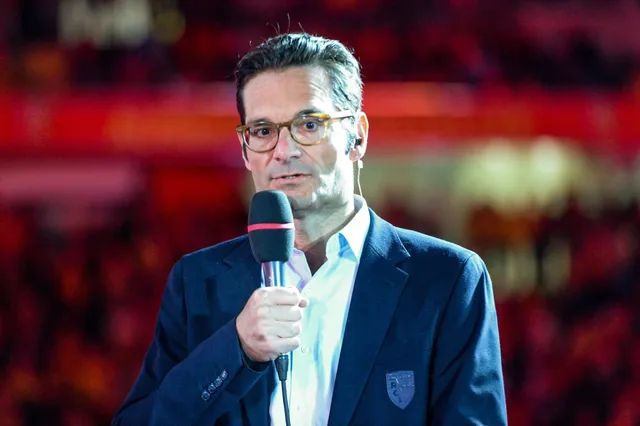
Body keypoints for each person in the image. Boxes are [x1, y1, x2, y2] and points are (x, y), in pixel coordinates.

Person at [113, 32, 507, 425]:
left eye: (309, 124)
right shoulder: (198, 282)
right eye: (263, 131)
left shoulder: (447, 279)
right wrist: (237, 348)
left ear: (357, 136)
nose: (284, 151)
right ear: (246, 151)